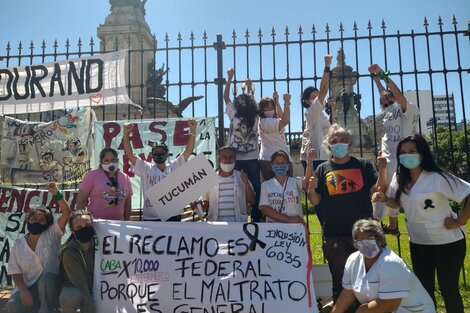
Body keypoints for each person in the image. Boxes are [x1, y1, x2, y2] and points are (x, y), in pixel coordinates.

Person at [372, 134, 470, 313]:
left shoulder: (437, 177)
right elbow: (397, 203)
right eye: (402, 152)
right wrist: (385, 198)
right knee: (425, 292)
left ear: (422, 154)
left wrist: (460, 221)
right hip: (419, 244)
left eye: (412, 151)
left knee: (449, 290)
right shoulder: (400, 177)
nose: (406, 155)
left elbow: (468, 192)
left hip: (448, 244)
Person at [308, 124, 387, 302]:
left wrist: (383, 170)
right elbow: (316, 201)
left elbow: (379, 190)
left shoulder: (363, 165)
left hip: (365, 234)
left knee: (372, 280)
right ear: (329, 145)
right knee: (340, 283)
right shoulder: (323, 169)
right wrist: (312, 191)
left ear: (350, 143)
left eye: (343, 140)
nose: (339, 144)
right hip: (335, 235)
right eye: (334, 141)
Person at [331, 219, 436, 313]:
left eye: (370, 238)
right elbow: (347, 295)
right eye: (360, 240)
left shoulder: (391, 263)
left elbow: (389, 304)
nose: (365, 243)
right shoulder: (353, 260)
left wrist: (361, 310)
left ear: (380, 239)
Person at [368, 64, 419, 233]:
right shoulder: (389, 113)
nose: (387, 103)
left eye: (390, 101)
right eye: (384, 103)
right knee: (385, 187)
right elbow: (384, 94)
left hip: (399, 155)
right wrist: (376, 81)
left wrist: (383, 75)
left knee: (386, 188)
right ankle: (389, 224)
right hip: (386, 152)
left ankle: (380, 222)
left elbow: (394, 94)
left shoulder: (407, 110)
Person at [7, 182, 71, 313]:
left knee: (46, 279)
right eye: (34, 218)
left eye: (42, 220)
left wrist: (56, 193)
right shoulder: (19, 244)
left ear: (48, 223)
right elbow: (15, 272)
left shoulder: (53, 233)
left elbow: (66, 212)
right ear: (27, 220)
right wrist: (23, 290)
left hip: (51, 285)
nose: (37, 221)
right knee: (13, 305)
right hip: (29, 287)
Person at [122, 119, 197, 221]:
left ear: (167, 153)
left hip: (173, 215)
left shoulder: (174, 166)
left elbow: (188, 151)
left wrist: (193, 130)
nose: (159, 153)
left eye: (162, 151)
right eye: (156, 151)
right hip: (151, 218)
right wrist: (126, 134)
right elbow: (130, 155)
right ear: (152, 155)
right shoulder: (145, 168)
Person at [224, 68, 261, 222]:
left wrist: (230, 78)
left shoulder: (234, 113)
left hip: (237, 158)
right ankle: (256, 217)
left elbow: (226, 96)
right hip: (251, 158)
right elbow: (251, 97)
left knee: (237, 189)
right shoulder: (255, 114)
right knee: (255, 189)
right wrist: (251, 86)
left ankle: (241, 216)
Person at [192, 146, 255, 222]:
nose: (228, 160)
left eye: (231, 157)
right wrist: (198, 206)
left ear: (235, 159)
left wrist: (246, 184)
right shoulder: (210, 179)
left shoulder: (241, 177)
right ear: (219, 160)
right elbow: (206, 203)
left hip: (237, 225)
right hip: (216, 227)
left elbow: (252, 201)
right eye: (224, 157)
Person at [259, 149, 315, 223]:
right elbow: (265, 209)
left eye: (283, 163)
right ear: (272, 166)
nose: (280, 165)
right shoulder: (265, 185)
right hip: (274, 229)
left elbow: (306, 181)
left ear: (288, 165)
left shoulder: (295, 182)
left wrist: (310, 162)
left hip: (295, 228)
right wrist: (290, 219)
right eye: (277, 163)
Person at [76, 147, 133, 220]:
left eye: (113, 160)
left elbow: (128, 204)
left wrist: (127, 223)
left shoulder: (125, 177)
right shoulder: (92, 175)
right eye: (106, 160)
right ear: (101, 162)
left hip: (119, 225)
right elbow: (81, 200)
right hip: (97, 223)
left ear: (118, 160)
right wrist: (82, 222)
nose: (111, 163)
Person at [300, 54, 333, 170]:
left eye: (317, 97)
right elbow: (324, 90)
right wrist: (327, 66)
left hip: (323, 155)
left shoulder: (320, 114)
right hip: (315, 157)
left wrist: (332, 109)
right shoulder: (311, 111)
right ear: (306, 101)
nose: (317, 99)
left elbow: (330, 127)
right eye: (313, 97)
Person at [59, 210, 95, 313]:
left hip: (97, 285)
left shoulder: (102, 244)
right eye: (79, 227)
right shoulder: (69, 252)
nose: (84, 229)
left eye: (88, 225)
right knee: (71, 295)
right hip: (75, 285)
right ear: (73, 231)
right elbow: (80, 283)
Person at [258, 91, 292, 180]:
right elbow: (285, 120)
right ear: (261, 109)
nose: (271, 109)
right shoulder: (266, 122)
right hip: (272, 159)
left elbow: (281, 115)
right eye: (267, 107)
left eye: (272, 107)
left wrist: (276, 102)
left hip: (275, 157)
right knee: (280, 188)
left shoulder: (271, 120)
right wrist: (287, 103)